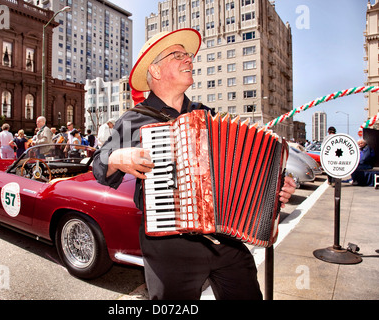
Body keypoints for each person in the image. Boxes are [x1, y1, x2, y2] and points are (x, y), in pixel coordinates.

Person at [92, 28, 296, 300]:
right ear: (155, 70)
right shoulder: (134, 119)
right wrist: (118, 158)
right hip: (169, 248)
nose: (189, 59)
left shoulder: (206, 116)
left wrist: (277, 188)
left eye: (188, 55)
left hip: (226, 241)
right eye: (178, 55)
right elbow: (97, 166)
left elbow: (244, 169)